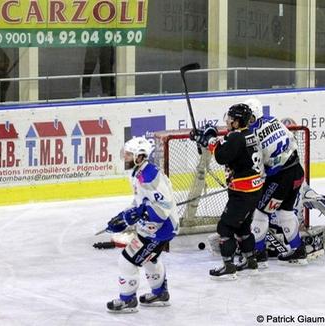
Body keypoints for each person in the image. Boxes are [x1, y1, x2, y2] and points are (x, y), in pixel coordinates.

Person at [244, 98, 325, 266]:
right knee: (285, 212)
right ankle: (298, 250)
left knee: (260, 212)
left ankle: (258, 253)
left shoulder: (252, 135)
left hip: (280, 178)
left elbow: (259, 166)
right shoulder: (272, 120)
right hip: (297, 171)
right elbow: (292, 140)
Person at [104, 136, 179, 313]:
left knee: (127, 260)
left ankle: (128, 300)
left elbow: (162, 212)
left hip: (160, 229)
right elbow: (141, 202)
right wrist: (124, 217)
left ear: (140, 156)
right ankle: (160, 294)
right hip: (154, 229)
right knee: (150, 259)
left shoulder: (150, 176)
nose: (126, 158)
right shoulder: (140, 172)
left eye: (129, 155)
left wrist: (138, 215)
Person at [191, 104, 263, 279]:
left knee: (225, 227)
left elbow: (222, 156)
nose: (228, 121)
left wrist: (209, 141)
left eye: (230, 119)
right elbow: (230, 148)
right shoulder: (249, 134)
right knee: (243, 226)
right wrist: (212, 141)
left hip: (242, 194)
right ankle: (250, 260)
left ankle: (228, 265)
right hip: (254, 190)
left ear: (237, 122)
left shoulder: (236, 138)